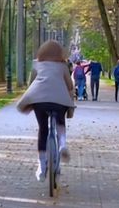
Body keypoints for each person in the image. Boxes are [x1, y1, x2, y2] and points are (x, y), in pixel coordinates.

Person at [16, 40, 77, 181]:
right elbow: (69, 85)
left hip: (40, 100)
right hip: (59, 100)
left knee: (43, 129)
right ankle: (62, 144)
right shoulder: (62, 66)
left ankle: (42, 166)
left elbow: (31, 84)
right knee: (60, 122)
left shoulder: (36, 64)